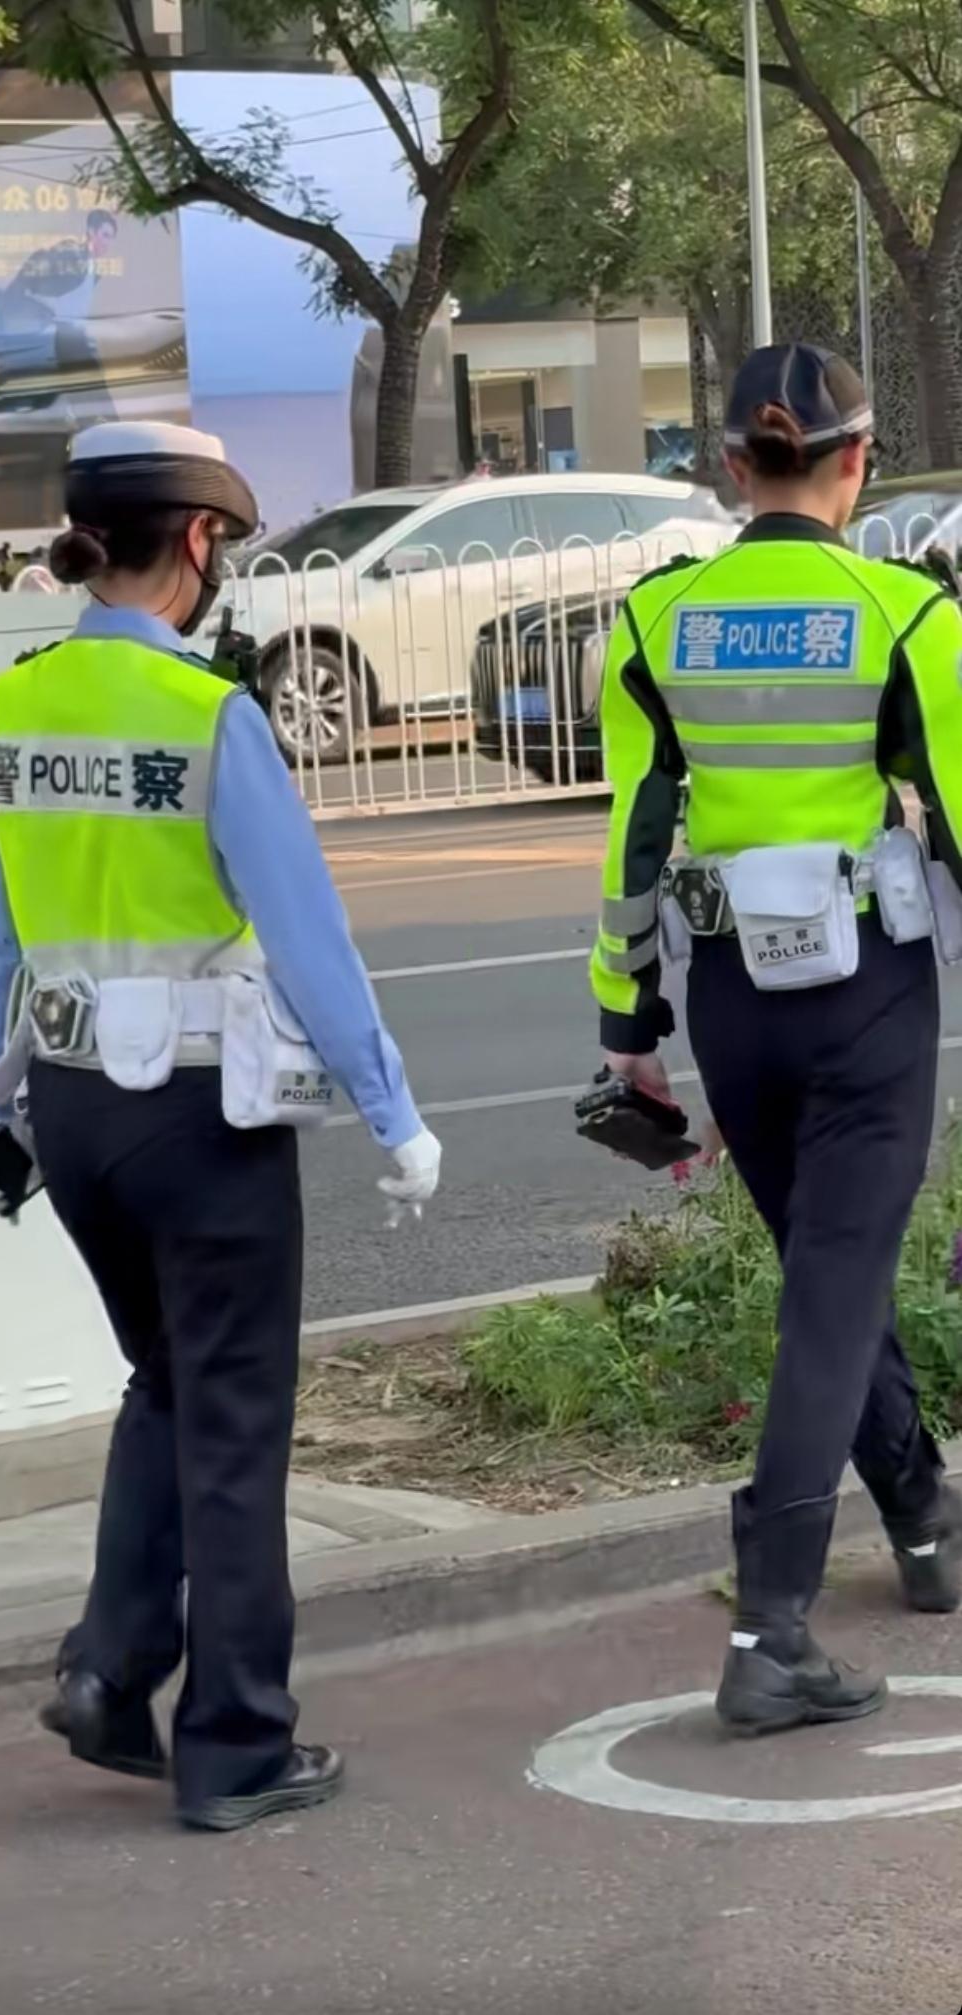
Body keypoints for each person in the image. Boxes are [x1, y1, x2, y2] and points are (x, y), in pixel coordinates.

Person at [0, 419, 441, 1830]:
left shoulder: (13, 704)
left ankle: (108, 1675)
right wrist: (394, 1114)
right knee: (232, 1416)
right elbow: (310, 942)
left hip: (72, 1114)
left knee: (165, 1382)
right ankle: (234, 1744)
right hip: (198, 1117)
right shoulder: (208, 714)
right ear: (197, 541)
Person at [590, 343, 962, 1737]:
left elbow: (633, 835)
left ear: (734, 468)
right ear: (857, 464)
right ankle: (773, 1629)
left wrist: (628, 1020)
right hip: (868, 998)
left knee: (830, 1273)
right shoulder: (904, 614)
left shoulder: (655, 622)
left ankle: (921, 1516)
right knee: (833, 1287)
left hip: (732, 1004)